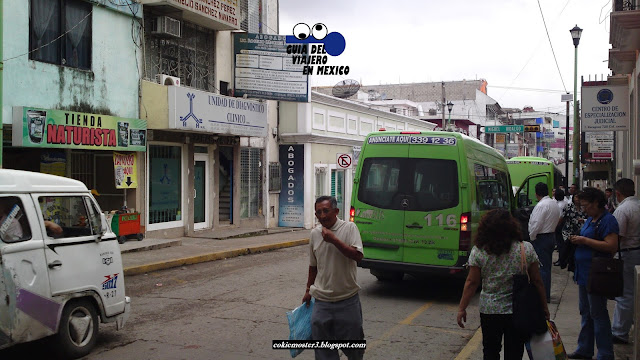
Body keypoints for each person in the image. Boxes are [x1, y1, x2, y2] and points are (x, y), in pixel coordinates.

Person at [457, 209, 549, 360]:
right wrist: (544, 307)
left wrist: (462, 308)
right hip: (518, 310)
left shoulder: (479, 251)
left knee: (490, 350)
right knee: (514, 352)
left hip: (490, 310)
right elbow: (537, 281)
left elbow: (472, 282)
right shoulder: (525, 248)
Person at [302, 196, 365, 360]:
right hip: (322, 300)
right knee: (323, 350)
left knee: (354, 348)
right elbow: (313, 266)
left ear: (336, 211)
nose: (322, 216)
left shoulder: (350, 228)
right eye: (318, 213)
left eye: (325, 211)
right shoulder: (314, 234)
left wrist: (334, 240)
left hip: (347, 299)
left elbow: (357, 256)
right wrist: (308, 290)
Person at [568, 187, 619, 360]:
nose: (584, 209)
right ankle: (585, 348)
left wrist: (584, 240)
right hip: (584, 273)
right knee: (586, 312)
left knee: (597, 313)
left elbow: (611, 246)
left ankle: (605, 353)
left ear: (597, 203)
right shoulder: (591, 218)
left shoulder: (608, 220)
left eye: (586, 205)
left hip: (597, 273)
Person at [611, 178, 640, 344]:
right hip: (636, 251)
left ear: (618, 193)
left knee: (624, 294)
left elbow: (618, 237)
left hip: (627, 253)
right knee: (633, 292)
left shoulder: (623, 210)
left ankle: (619, 331)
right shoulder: (637, 205)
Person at [528, 182, 561, 302]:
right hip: (550, 236)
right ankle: (545, 293)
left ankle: (542, 295)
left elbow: (536, 224)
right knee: (546, 267)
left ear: (536, 193)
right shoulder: (554, 203)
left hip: (541, 238)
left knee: (541, 268)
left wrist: (532, 237)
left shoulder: (542, 205)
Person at [557, 194, 586, 270]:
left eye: (579, 197)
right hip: (568, 230)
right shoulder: (569, 206)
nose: (577, 199)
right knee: (566, 247)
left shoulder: (584, 208)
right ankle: (563, 261)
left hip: (579, 230)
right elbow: (562, 217)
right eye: (576, 197)